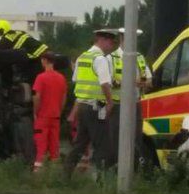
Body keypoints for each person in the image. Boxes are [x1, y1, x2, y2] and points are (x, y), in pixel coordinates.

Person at [64, 28, 118, 175]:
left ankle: (65, 176)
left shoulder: (82, 57)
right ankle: (101, 180)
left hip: (82, 106)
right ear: (103, 40)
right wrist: (110, 102)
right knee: (103, 145)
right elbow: (104, 83)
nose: (112, 46)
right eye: (111, 42)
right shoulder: (100, 59)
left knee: (80, 144)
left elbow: (76, 81)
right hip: (95, 107)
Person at [109, 28, 152, 162]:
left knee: (136, 138)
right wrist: (134, 82)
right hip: (118, 105)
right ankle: (115, 168)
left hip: (135, 104)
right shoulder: (111, 58)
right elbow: (110, 82)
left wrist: (143, 83)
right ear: (122, 39)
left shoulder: (139, 57)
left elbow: (149, 80)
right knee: (116, 139)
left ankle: (135, 168)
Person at [32, 52, 67, 172]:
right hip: (56, 117)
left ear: (45, 61)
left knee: (41, 147)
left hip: (43, 117)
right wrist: (59, 111)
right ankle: (54, 172)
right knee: (54, 147)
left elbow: (37, 97)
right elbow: (63, 98)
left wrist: (35, 112)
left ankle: (37, 174)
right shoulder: (61, 78)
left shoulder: (41, 77)